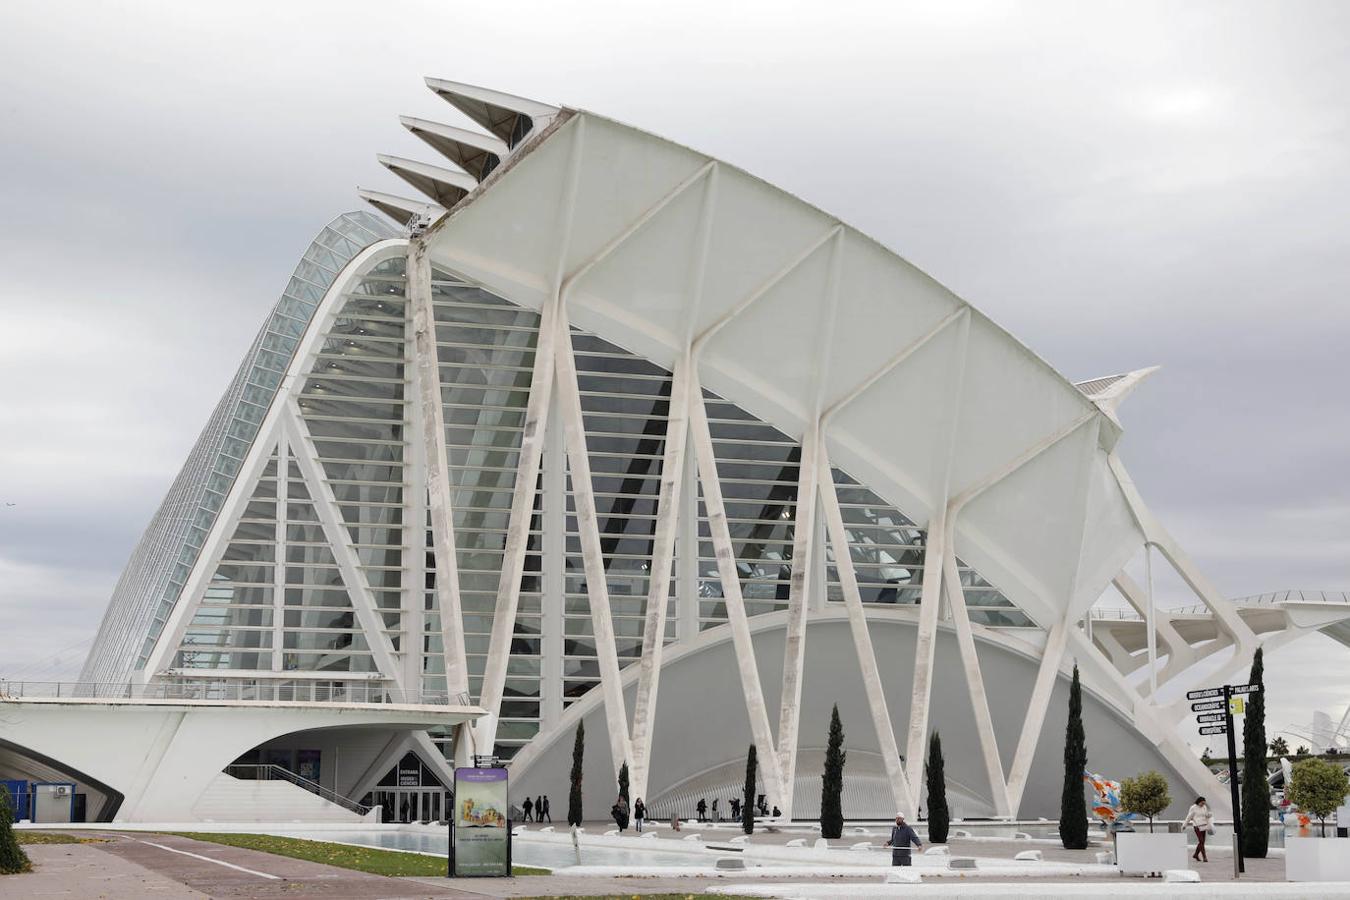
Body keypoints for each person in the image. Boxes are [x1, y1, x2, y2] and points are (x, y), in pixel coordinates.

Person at [1182, 796, 1213, 862]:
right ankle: (1204, 857)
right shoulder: (1193, 808)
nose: (1203, 804)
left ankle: (1196, 854)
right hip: (1197, 826)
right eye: (1202, 803)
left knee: (1202, 842)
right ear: (1198, 802)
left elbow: (1206, 815)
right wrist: (1184, 825)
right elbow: (1189, 817)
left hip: (1204, 825)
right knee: (1201, 841)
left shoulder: (1204, 807)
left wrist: (1209, 815)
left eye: (1204, 803)